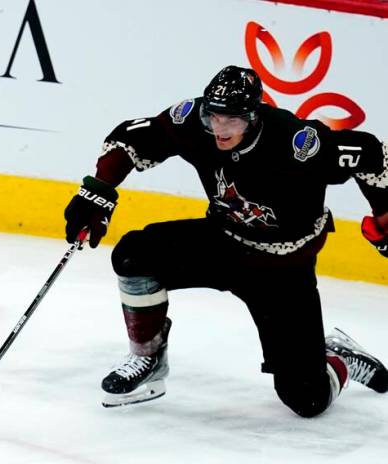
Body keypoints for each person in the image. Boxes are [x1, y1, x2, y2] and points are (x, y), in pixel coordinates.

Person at [62, 65, 388, 414]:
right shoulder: (194, 122)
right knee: (133, 254)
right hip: (222, 242)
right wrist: (98, 190)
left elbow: (369, 153)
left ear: (253, 117)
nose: (219, 128)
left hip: (282, 269)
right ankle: (149, 358)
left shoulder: (297, 144)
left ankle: (336, 356)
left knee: (307, 399)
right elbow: (136, 136)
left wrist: (384, 219)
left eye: (230, 120)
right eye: (213, 117)